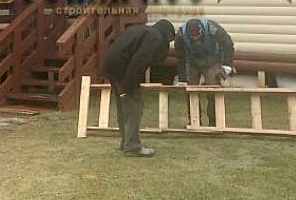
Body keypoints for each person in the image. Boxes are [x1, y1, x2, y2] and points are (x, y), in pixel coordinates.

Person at [98, 19, 175, 157]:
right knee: (134, 106)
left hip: (110, 64)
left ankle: (126, 142)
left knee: (124, 107)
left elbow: (114, 40)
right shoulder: (156, 38)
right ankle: (132, 147)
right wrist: (128, 86)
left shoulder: (140, 29)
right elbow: (139, 61)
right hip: (122, 68)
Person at [175, 18, 235, 126]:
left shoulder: (213, 30)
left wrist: (227, 66)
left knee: (213, 89)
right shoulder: (180, 35)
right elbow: (180, 57)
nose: (195, 38)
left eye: (197, 35)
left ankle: (214, 121)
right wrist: (182, 79)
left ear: (201, 30)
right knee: (191, 91)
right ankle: (194, 121)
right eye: (192, 36)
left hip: (212, 60)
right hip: (193, 61)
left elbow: (228, 44)